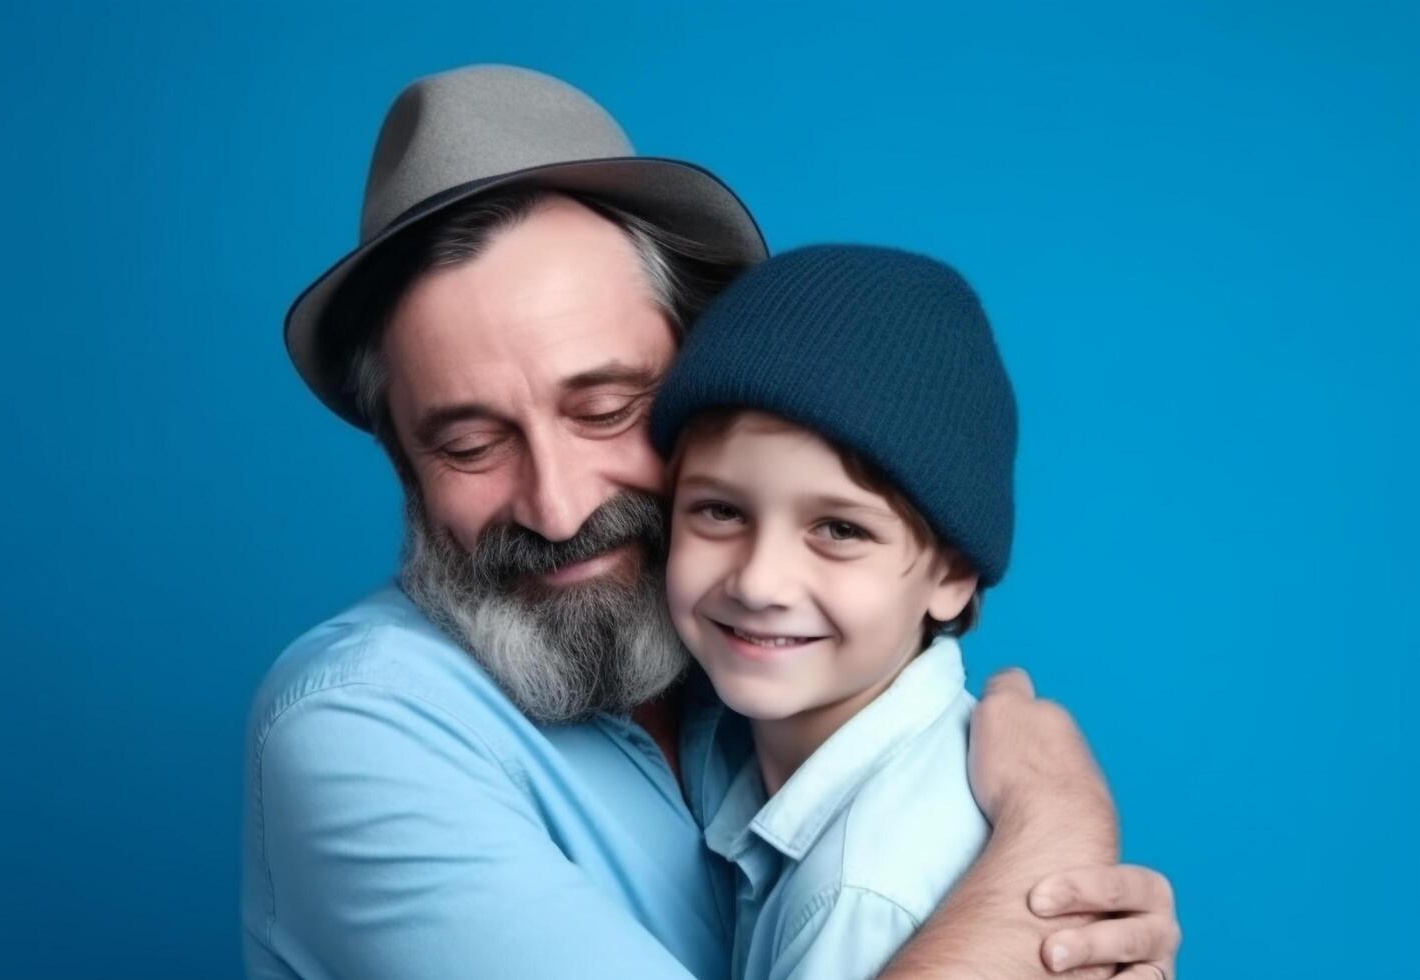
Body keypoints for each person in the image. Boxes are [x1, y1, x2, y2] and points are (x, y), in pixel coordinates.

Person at [242, 64, 1181, 979]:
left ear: (705, 386)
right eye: (470, 445)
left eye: (605, 408)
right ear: (404, 464)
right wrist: (1052, 831)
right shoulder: (358, 723)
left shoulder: (758, 665)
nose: (558, 504)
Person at [650, 243, 1018, 979]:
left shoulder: (860, 895)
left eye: (839, 530)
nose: (759, 582)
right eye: (719, 511)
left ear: (951, 574)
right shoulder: (735, 737)